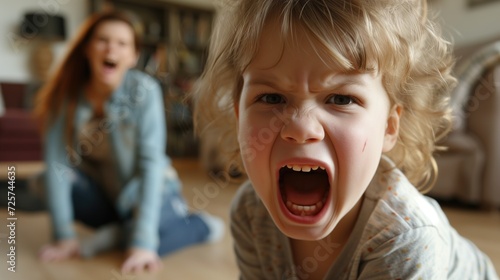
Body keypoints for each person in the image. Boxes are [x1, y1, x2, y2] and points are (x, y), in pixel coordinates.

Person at [192, 0, 499, 279]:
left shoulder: (404, 238)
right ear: (238, 116)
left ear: (389, 127)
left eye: (340, 98)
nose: (300, 128)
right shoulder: (250, 214)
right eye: (271, 97)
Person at [34, 10, 224, 273]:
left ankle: (199, 225)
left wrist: (143, 242)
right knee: (43, 180)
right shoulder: (65, 95)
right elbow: (57, 165)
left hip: (152, 190)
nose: (112, 48)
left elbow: (151, 165)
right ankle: (126, 229)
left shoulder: (144, 91)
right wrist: (64, 235)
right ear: (88, 48)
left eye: (122, 43)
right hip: (107, 197)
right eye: (103, 39)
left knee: (151, 243)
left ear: (133, 56)